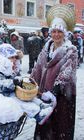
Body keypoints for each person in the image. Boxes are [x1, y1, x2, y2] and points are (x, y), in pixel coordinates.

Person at [30, 4, 77, 140]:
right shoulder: (45, 50)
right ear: (50, 32)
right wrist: (30, 81)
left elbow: (66, 74)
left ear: (65, 34)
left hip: (62, 98)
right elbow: (37, 69)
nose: (56, 34)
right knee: (44, 131)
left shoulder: (71, 51)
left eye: (60, 32)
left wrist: (54, 91)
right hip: (45, 97)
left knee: (59, 130)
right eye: (54, 31)